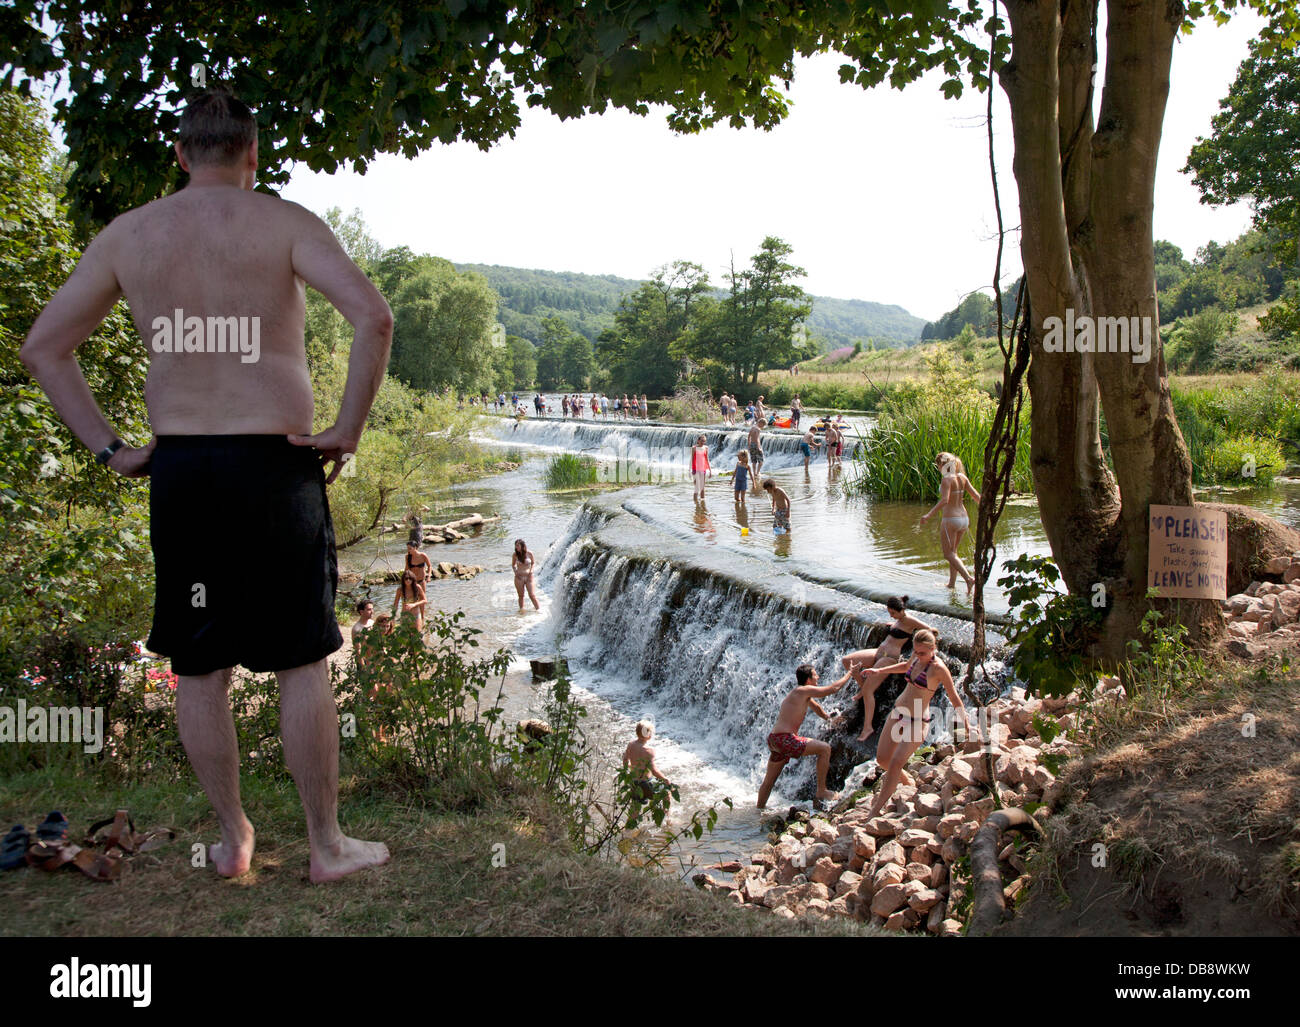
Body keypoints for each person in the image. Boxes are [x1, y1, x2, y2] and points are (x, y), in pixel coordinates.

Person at [19, 88, 390, 883]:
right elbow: (373, 316)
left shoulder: (131, 235)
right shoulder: (284, 222)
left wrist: (111, 448)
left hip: (184, 473)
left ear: (182, 155)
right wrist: (348, 428)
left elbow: (44, 346)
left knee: (197, 661)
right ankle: (327, 847)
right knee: (301, 660)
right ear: (253, 154)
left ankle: (233, 841)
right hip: (276, 467)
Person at [858, 630, 970, 818]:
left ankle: (874, 811)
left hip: (918, 722)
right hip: (897, 712)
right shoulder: (916, 657)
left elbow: (954, 697)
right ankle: (908, 782)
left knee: (894, 764)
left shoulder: (939, 669)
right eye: (916, 652)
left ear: (933, 649)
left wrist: (966, 727)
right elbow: (905, 666)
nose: (918, 656)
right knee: (883, 759)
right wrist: (879, 670)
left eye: (922, 653)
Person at [837, 597, 934, 742]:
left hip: (889, 658)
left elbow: (929, 630)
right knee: (847, 661)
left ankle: (867, 727)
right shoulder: (899, 620)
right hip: (879, 652)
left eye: (893, 613)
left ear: (902, 611)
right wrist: (893, 625)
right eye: (890, 612)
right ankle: (863, 687)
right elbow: (898, 627)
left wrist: (918, 649)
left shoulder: (909, 620)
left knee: (869, 692)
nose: (891, 615)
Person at [756, 664, 845, 808]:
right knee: (825, 749)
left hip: (775, 740)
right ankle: (821, 791)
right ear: (808, 679)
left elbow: (818, 709)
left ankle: (758, 810)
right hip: (785, 739)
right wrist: (850, 674)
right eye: (815, 675)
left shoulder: (801, 694)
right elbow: (833, 689)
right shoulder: (803, 690)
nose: (818, 677)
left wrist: (829, 718)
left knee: (769, 782)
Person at [919, 452, 982, 593]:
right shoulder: (962, 477)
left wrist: (928, 515)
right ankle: (952, 584)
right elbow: (977, 496)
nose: (938, 468)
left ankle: (969, 579)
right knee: (954, 553)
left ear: (942, 464)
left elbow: (945, 500)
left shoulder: (947, 480)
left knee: (948, 554)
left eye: (938, 465)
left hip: (950, 519)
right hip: (964, 519)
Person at [622, 721, 672, 808]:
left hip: (634, 782)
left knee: (635, 808)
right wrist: (665, 779)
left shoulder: (630, 745)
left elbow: (625, 759)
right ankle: (667, 817)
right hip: (646, 783)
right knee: (666, 792)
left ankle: (631, 820)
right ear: (648, 735)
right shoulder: (649, 750)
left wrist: (627, 770)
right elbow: (654, 770)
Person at [512, 538, 540, 611]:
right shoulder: (515, 555)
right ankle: (522, 611)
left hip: (528, 577)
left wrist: (531, 572)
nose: (516, 547)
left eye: (518, 545)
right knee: (521, 596)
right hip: (519, 578)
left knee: (532, 595)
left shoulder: (529, 553)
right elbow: (513, 565)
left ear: (522, 546)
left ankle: (538, 610)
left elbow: (533, 563)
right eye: (515, 546)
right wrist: (515, 572)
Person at [350, 599, 375, 665]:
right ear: (361, 612)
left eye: (372, 609)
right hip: (365, 662)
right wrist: (363, 667)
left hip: (374, 660)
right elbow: (358, 651)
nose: (372, 611)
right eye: (369, 610)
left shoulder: (372, 623)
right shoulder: (357, 629)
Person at [747, 419, 765, 493]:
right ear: (760, 423)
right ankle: (757, 472)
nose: (763, 427)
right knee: (761, 461)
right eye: (763, 425)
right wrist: (759, 448)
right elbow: (757, 439)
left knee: (754, 460)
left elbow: (748, 436)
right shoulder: (758, 429)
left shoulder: (753, 427)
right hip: (756, 445)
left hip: (751, 445)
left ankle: (754, 472)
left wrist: (749, 444)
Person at [690, 434, 711, 501]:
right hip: (695, 469)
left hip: (703, 469)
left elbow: (707, 459)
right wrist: (690, 470)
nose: (703, 443)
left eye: (704, 441)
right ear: (698, 441)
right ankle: (695, 503)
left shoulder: (706, 448)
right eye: (702, 441)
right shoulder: (694, 448)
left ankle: (702, 502)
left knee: (702, 487)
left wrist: (710, 470)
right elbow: (692, 459)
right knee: (696, 487)